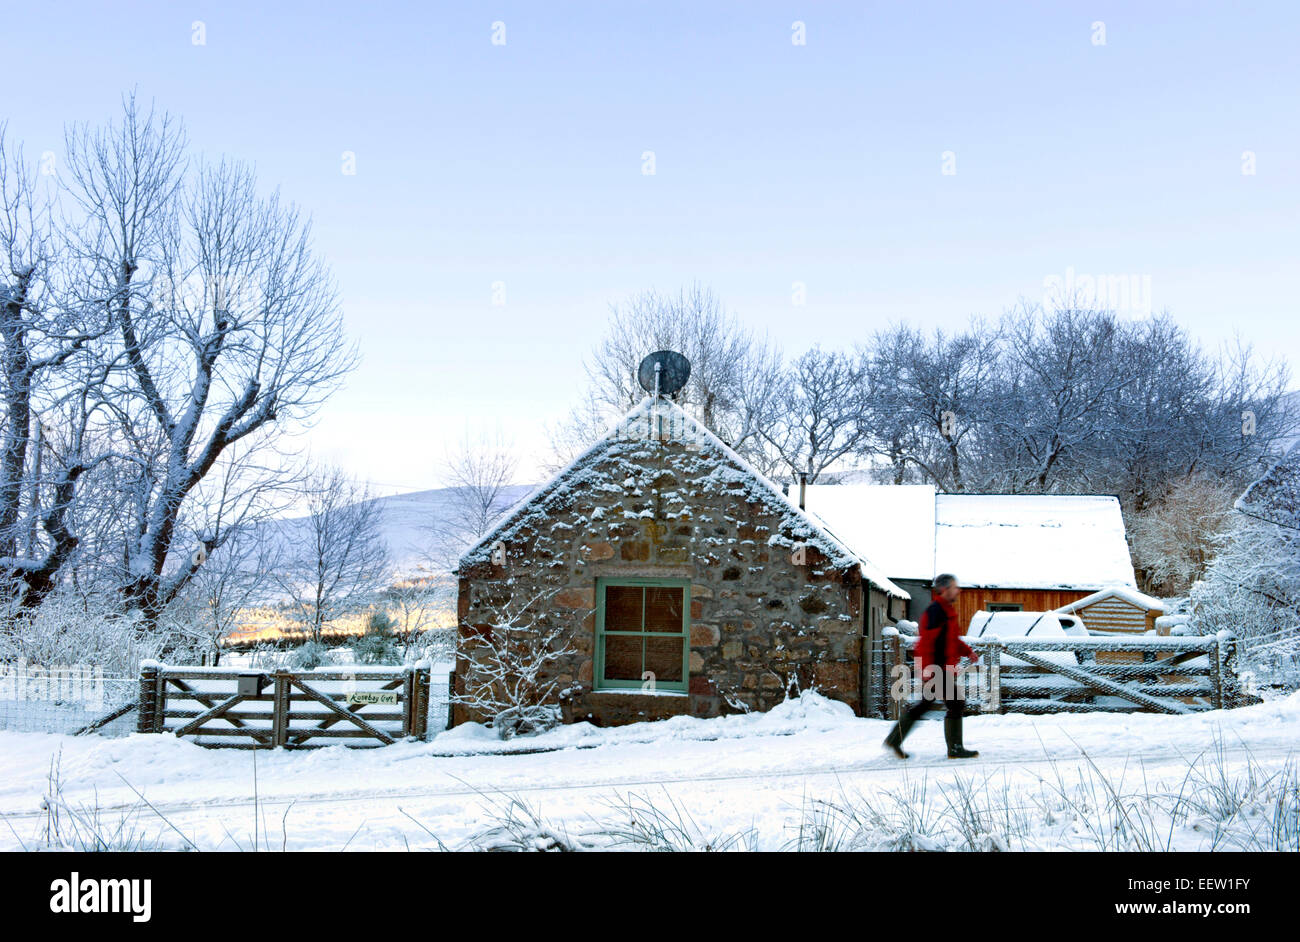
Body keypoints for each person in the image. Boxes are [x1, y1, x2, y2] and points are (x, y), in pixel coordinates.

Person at [883, 573, 980, 760]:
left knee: (925, 705)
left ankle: (895, 739)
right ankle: (955, 749)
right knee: (956, 703)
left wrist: (967, 651)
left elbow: (951, 639)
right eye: (954, 587)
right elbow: (928, 642)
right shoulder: (937, 611)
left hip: (938, 667)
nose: (958, 591)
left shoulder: (944, 610)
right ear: (944, 589)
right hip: (937, 667)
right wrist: (932, 669)